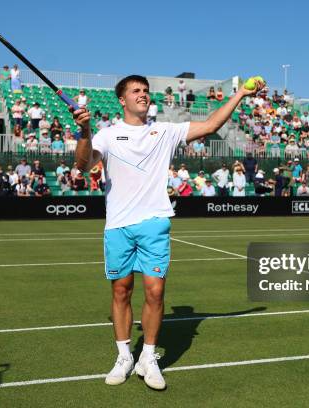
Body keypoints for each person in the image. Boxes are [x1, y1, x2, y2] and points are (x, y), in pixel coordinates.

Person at [72, 74, 264, 390]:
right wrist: (84, 130)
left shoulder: (165, 130)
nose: (143, 95)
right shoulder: (107, 135)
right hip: (118, 224)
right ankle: (124, 357)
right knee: (121, 290)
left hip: (155, 222)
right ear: (122, 100)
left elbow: (211, 125)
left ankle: (148, 357)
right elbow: (83, 165)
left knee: (155, 292)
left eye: (146, 91)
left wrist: (241, 93)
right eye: (136, 91)